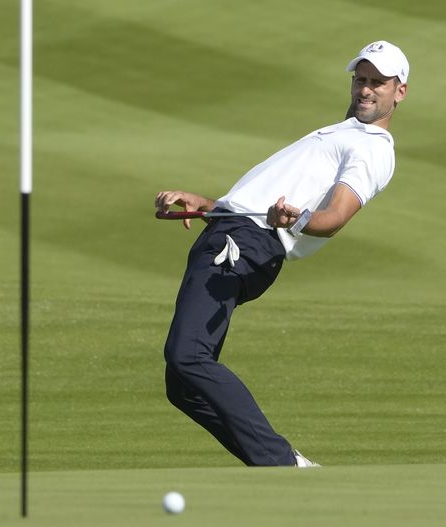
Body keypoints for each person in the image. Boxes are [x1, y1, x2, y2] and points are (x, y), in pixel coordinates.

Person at [155, 41, 409, 467]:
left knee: (187, 357)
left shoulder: (373, 147)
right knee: (181, 385)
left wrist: (295, 218)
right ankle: (275, 463)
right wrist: (201, 202)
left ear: (399, 91)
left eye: (377, 83)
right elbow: (248, 205)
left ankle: (283, 463)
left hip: (244, 245)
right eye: (360, 80)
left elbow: (334, 217)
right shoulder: (343, 132)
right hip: (232, 234)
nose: (365, 90)